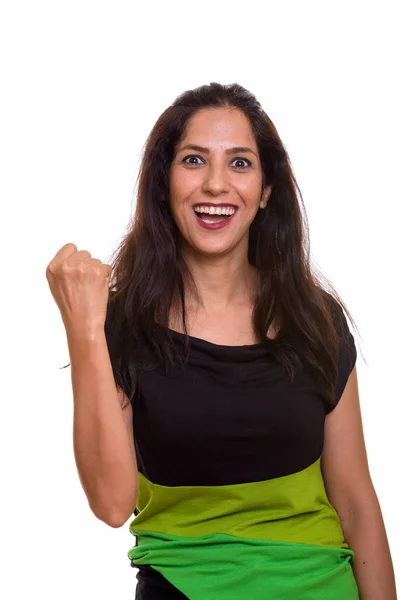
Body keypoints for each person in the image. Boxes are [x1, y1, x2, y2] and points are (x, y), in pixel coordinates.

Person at [46, 82, 397, 599]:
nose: (216, 185)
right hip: (182, 586)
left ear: (266, 189)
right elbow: (111, 503)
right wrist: (84, 330)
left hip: (323, 585)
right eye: (193, 160)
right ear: (163, 183)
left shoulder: (314, 319)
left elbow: (355, 499)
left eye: (239, 163)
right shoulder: (121, 325)